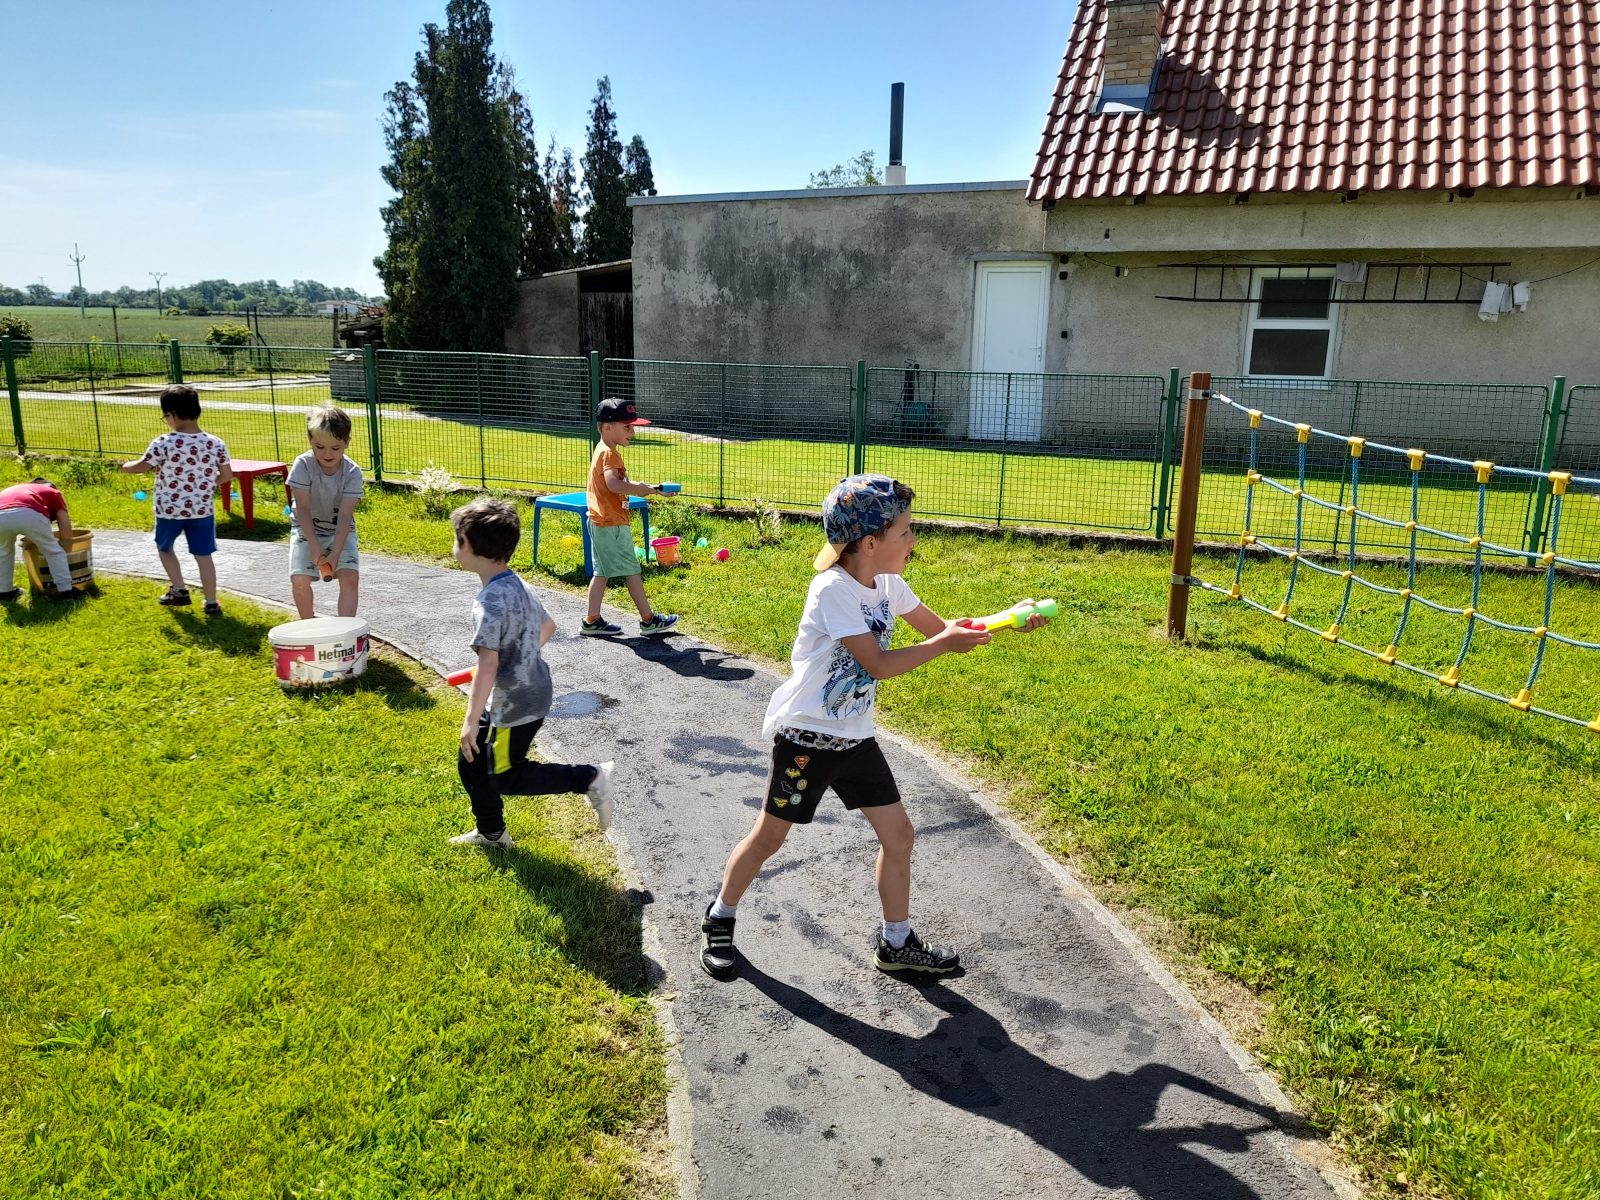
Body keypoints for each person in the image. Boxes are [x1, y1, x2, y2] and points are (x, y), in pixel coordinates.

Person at [698, 474, 1048, 981]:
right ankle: (720, 915)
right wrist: (942, 645)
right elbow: (878, 664)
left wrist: (1008, 617)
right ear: (869, 542)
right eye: (905, 532)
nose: (913, 541)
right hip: (806, 741)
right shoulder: (832, 590)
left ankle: (896, 942)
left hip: (855, 740)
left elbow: (942, 630)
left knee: (899, 836)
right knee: (769, 838)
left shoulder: (888, 584)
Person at [448, 497, 614, 848]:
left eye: (457, 539)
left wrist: (470, 719)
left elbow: (488, 665)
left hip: (516, 704)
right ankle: (492, 833)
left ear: (470, 546)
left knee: (506, 774)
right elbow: (548, 626)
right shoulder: (517, 584)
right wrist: (519, 657)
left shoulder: (487, 604)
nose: (455, 546)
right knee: (471, 759)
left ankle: (590, 777)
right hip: (527, 688)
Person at [121, 384, 232, 614]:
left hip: (169, 510)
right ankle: (211, 602)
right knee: (204, 555)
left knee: (164, 547)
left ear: (171, 415)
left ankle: (179, 589)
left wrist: (126, 466)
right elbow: (226, 475)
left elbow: (142, 466)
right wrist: (206, 485)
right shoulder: (215, 443)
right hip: (202, 510)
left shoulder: (164, 442)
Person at [580, 396, 678, 637]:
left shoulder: (603, 450)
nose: (632, 432)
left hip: (601, 521)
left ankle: (592, 620)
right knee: (632, 570)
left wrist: (652, 489)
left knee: (601, 573)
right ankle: (648, 620)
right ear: (607, 427)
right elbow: (614, 484)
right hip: (611, 524)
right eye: (627, 427)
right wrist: (642, 489)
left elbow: (616, 483)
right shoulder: (609, 454)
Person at [288, 406, 363, 619]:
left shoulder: (352, 472)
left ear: (347, 442)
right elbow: (303, 509)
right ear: (310, 440)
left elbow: (345, 516)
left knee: (350, 578)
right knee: (299, 579)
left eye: (335, 448)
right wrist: (315, 546)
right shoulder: (302, 465)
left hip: (341, 531)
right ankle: (308, 625)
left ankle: (346, 629)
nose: (327, 454)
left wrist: (335, 553)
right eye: (319, 447)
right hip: (305, 530)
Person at [0, 477, 82, 602]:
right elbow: (65, 530)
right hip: (28, 512)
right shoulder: (53, 492)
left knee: (3, 553)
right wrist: (65, 545)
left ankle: (4, 593)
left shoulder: (16, 489)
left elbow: (15, 517)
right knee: (53, 551)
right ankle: (66, 592)